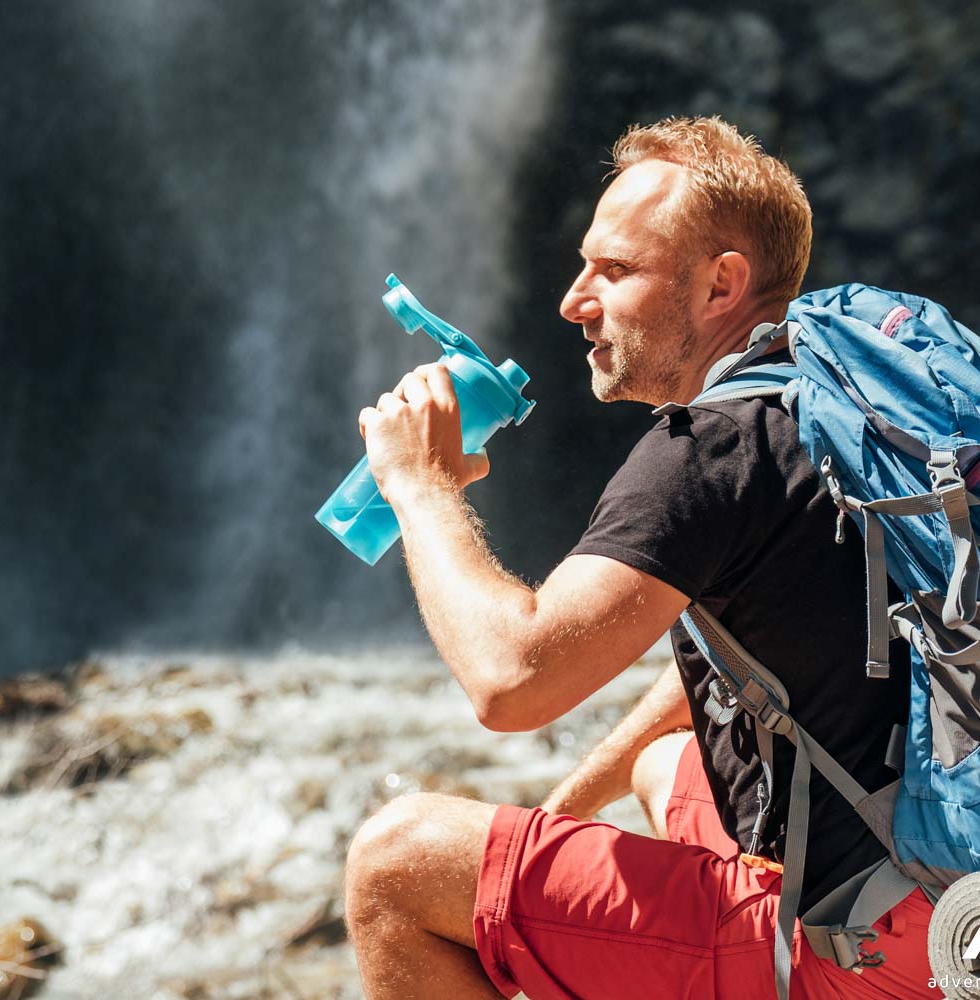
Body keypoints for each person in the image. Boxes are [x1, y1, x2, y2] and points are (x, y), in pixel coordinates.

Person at [343, 116, 940, 999]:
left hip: (876, 951)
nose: (573, 301)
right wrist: (561, 813)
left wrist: (422, 487)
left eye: (614, 271)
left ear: (720, 285)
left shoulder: (709, 450)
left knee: (397, 865)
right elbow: (737, 665)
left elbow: (510, 681)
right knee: (669, 763)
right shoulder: (860, 396)